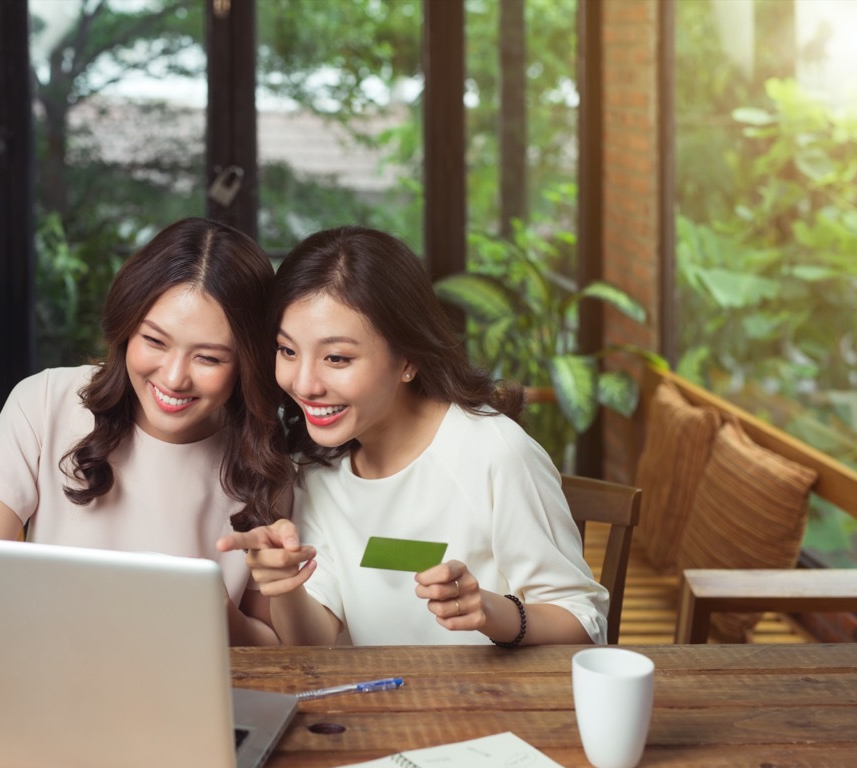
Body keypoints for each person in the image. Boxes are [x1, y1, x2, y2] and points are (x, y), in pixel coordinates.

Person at [0, 217, 294, 714]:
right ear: (126, 327)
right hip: (39, 690)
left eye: (209, 358)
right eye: (154, 341)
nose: (174, 377)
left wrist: (214, 611)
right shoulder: (45, 401)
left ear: (248, 362)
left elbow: (273, 650)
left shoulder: (263, 458)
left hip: (178, 703)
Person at [219, 225, 607, 647]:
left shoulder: (495, 453)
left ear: (407, 359)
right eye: (288, 351)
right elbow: (313, 645)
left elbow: (584, 622)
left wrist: (492, 611)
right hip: (374, 690)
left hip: (487, 690)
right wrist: (286, 586)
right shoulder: (316, 468)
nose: (304, 384)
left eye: (337, 358)